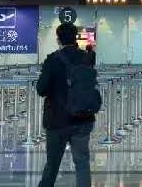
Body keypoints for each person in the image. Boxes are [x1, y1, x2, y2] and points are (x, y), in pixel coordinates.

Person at [36, 24, 98, 187]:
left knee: (52, 164)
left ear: (58, 40)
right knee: (82, 163)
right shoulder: (87, 58)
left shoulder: (52, 59)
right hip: (83, 116)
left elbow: (41, 89)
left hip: (57, 119)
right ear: (75, 37)